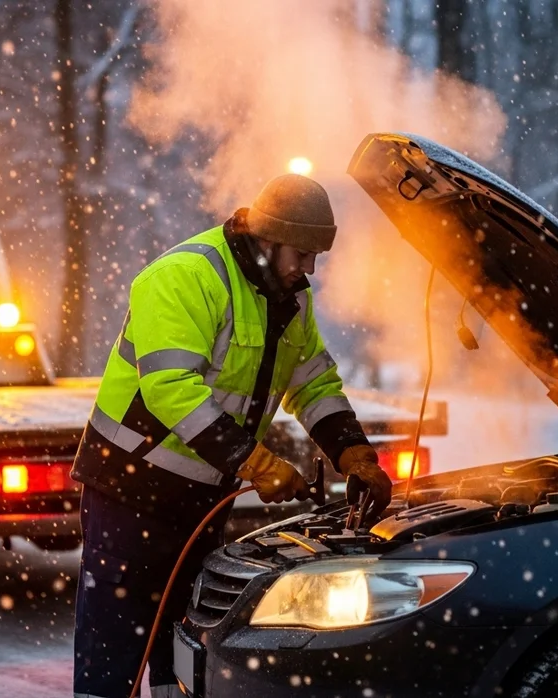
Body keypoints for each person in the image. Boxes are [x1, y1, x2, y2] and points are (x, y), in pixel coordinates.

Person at [70, 174, 393, 697]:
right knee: (117, 634)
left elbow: (313, 383)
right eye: (303, 253)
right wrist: (257, 464)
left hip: (201, 499)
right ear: (268, 240)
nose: (309, 269)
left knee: (182, 640)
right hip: (130, 487)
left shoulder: (288, 299)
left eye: (317, 256)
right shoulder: (185, 276)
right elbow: (170, 390)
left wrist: (352, 452)